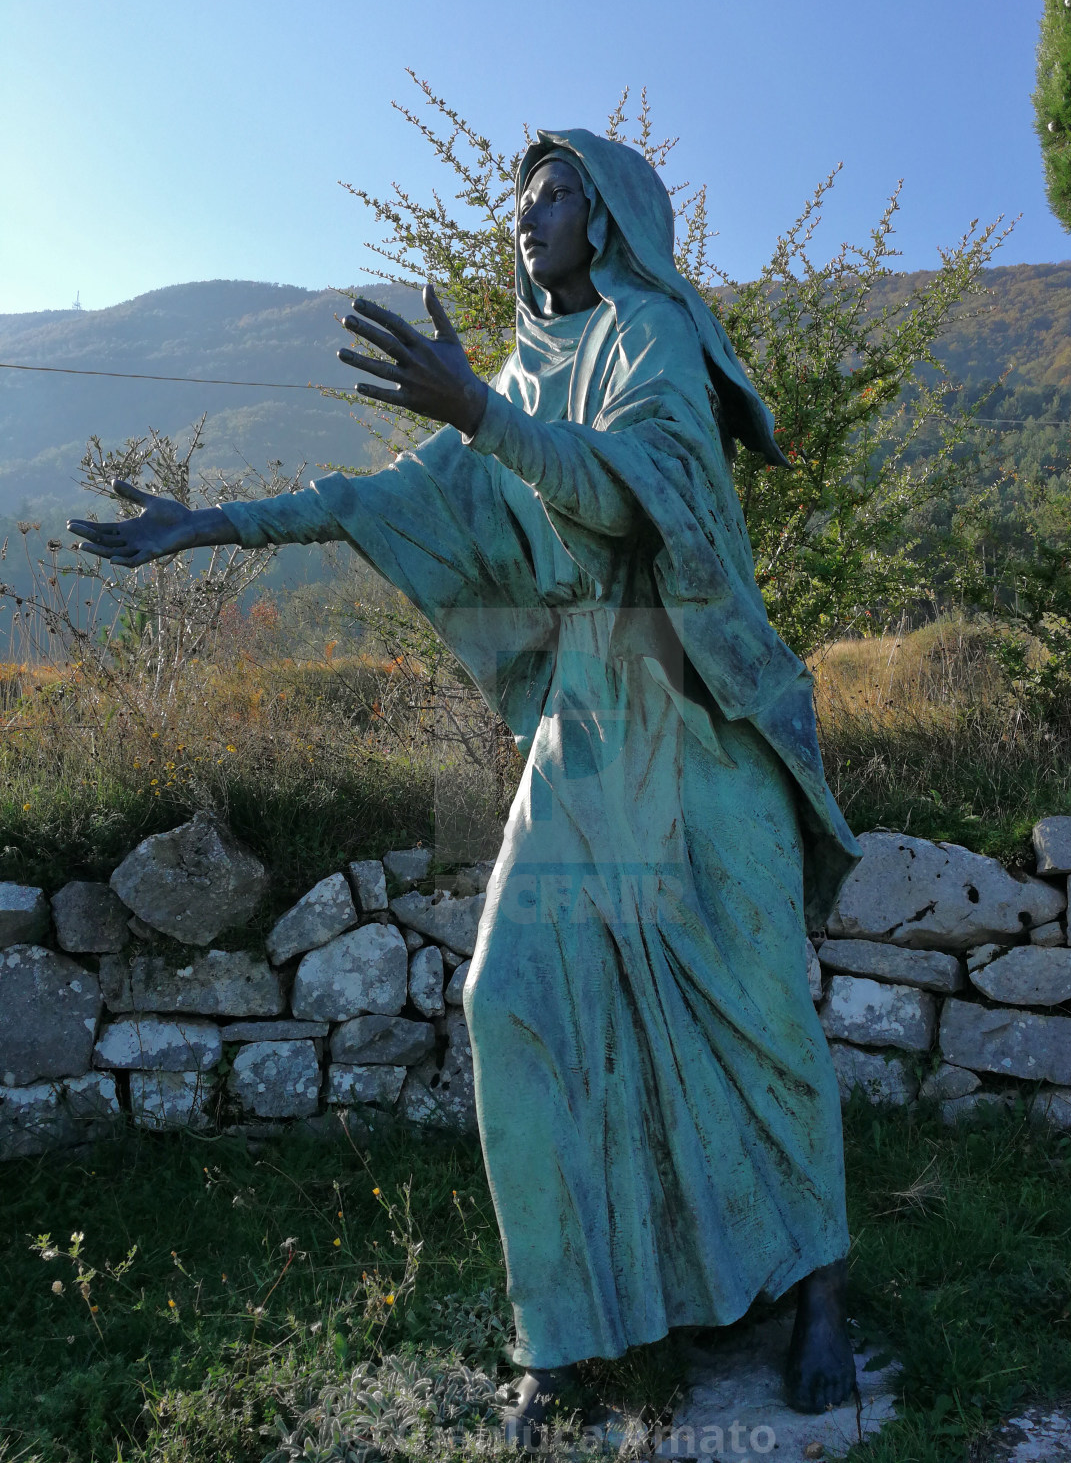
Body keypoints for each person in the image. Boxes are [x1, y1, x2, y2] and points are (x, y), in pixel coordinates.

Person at [71, 129, 863, 1437]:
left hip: (691, 718)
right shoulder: (504, 377)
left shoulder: (649, 342)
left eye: (553, 192)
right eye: (518, 197)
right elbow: (391, 495)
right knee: (509, 998)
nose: (526, 215)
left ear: (606, 217)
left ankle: (821, 1287)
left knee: (762, 1011)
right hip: (586, 728)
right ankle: (560, 1324)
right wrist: (207, 526)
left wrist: (485, 419)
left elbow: (628, 494)